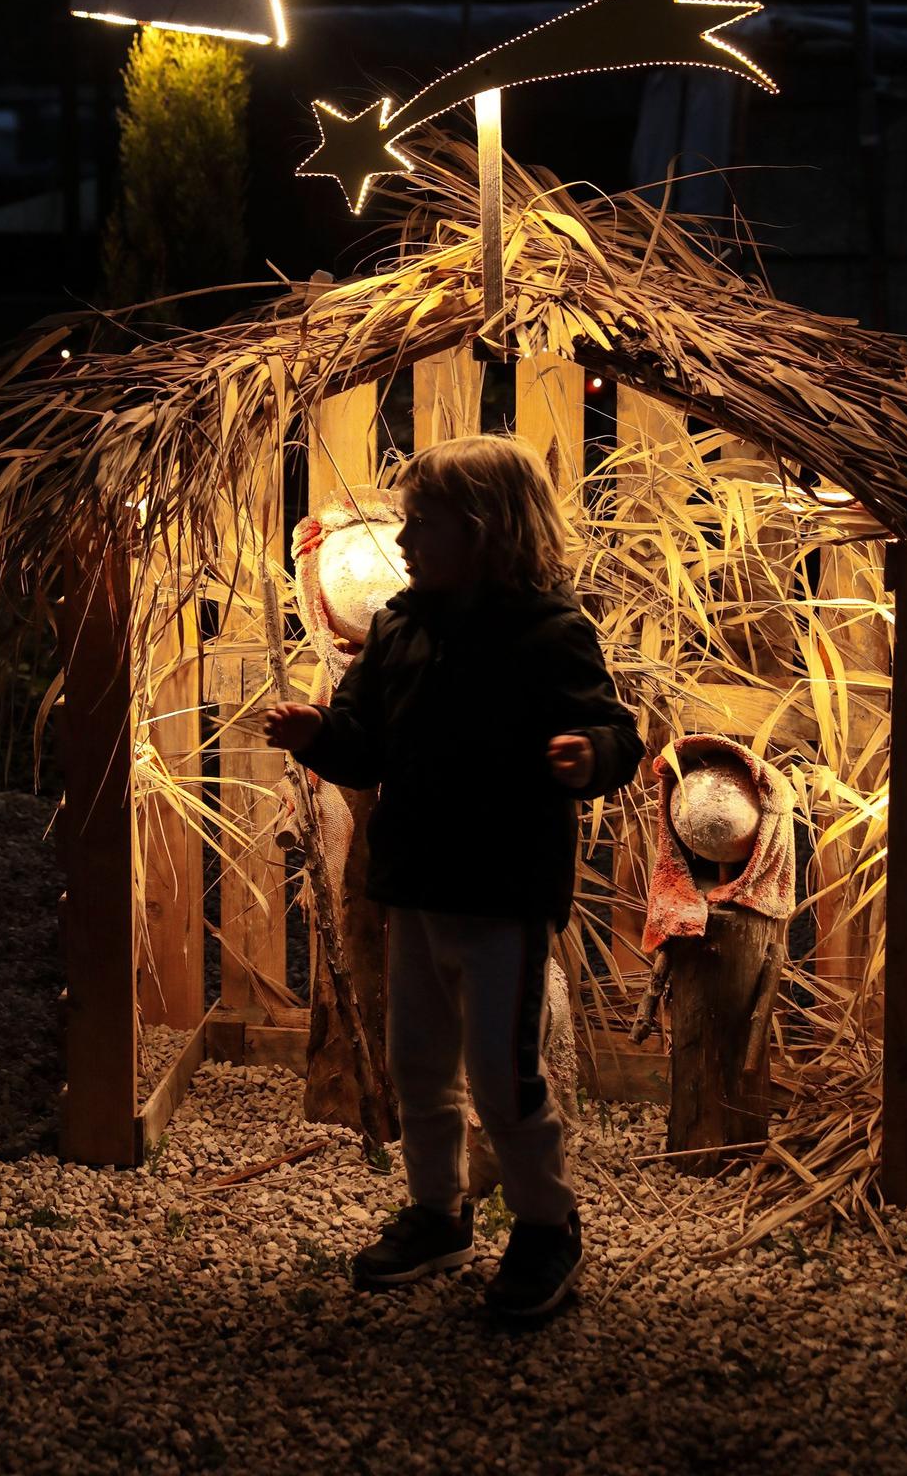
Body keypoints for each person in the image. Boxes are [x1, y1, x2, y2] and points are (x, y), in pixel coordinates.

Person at [264, 433, 642, 1320]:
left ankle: (547, 1226)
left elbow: (615, 732)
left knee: (504, 1075)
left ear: (483, 530)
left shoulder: (550, 632)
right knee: (417, 1062)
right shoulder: (400, 626)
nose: (402, 542)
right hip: (415, 886)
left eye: (421, 524)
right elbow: (364, 746)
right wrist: (320, 737)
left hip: (503, 893)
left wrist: (588, 753)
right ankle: (437, 1213)